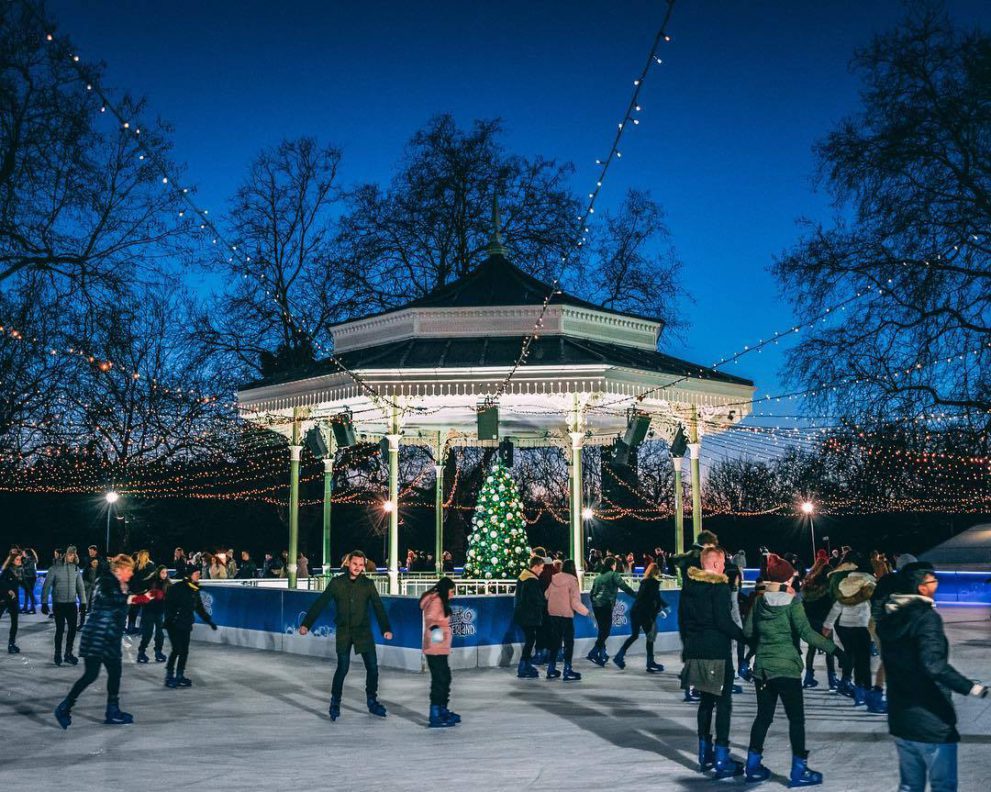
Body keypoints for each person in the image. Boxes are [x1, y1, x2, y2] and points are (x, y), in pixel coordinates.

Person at [878, 563, 989, 792]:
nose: (936, 584)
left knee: (910, 785)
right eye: (932, 581)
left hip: (901, 716)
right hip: (931, 718)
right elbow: (934, 666)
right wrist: (972, 688)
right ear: (921, 588)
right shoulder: (926, 618)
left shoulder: (890, 618)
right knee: (943, 786)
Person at [743, 554, 843, 787]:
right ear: (787, 579)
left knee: (763, 717)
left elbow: (748, 632)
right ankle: (799, 770)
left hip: (763, 670)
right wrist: (836, 651)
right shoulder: (793, 603)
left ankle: (752, 765)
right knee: (796, 720)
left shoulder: (759, 601)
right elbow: (807, 634)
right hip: (787, 669)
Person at [298, 550, 393, 720]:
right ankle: (335, 702)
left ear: (364, 566)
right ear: (348, 563)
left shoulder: (368, 584)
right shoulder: (337, 583)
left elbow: (378, 607)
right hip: (344, 631)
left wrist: (385, 628)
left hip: (363, 631)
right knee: (343, 667)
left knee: (372, 667)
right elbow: (320, 603)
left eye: (361, 565)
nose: (358, 567)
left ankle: (372, 701)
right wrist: (306, 624)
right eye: (355, 564)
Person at [680, 545, 746, 778]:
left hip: (696, 650)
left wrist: (687, 647)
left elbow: (683, 620)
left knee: (705, 702)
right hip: (717, 651)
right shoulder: (718, 586)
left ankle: (704, 754)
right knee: (724, 703)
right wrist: (745, 637)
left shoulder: (689, 587)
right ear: (717, 563)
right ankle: (721, 757)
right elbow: (723, 622)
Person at [54, 554, 142, 729]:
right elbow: (110, 598)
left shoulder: (121, 585)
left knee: (115, 672)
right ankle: (64, 707)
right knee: (91, 674)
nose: (131, 573)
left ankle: (112, 710)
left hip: (111, 637)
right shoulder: (105, 582)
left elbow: (125, 600)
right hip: (97, 636)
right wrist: (136, 598)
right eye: (129, 570)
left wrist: (142, 597)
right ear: (119, 569)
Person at [823, 556, 876, 706]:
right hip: (859, 623)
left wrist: (828, 623)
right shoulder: (864, 582)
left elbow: (836, 602)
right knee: (861, 659)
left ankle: (851, 686)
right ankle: (860, 689)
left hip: (842, 622)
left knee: (851, 652)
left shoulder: (840, 579)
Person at [163, 566, 218, 687]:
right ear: (189, 575)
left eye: (199, 574)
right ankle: (169, 676)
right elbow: (168, 604)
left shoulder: (195, 590)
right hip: (174, 624)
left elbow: (199, 608)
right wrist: (171, 618)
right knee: (176, 649)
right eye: (196, 574)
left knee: (184, 651)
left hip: (186, 624)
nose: (199, 576)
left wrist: (209, 622)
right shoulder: (177, 588)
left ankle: (180, 675)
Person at [613, 562, 669, 672]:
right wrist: (661, 610)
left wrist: (662, 606)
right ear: (656, 572)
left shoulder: (643, 582)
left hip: (635, 611)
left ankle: (619, 655)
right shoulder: (654, 583)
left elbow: (642, 597)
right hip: (644, 613)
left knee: (634, 635)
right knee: (650, 637)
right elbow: (656, 598)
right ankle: (650, 662)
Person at [420, 577, 458, 727]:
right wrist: (438, 636)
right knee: (440, 680)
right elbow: (430, 619)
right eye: (451, 591)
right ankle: (435, 714)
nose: (453, 595)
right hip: (435, 648)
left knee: (445, 678)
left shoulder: (439, 600)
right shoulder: (436, 601)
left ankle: (442, 709)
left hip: (439, 647)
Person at [544, 558, 589, 681]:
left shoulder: (554, 578)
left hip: (553, 614)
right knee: (568, 643)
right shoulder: (572, 580)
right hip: (566, 615)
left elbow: (546, 595)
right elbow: (574, 602)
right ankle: (567, 670)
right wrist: (587, 612)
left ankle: (551, 669)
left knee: (555, 642)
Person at [41, 545, 87, 666]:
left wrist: (83, 602)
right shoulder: (54, 569)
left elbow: (80, 587)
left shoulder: (76, 569)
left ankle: (68, 653)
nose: (72, 556)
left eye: (74, 554)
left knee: (72, 630)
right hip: (59, 604)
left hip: (71, 604)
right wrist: (44, 602)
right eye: (70, 554)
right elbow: (46, 586)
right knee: (60, 630)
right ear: (65, 555)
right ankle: (57, 654)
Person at [587, 556, 636, 666]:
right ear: (612, 565)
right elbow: (624, 587)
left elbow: (592, 592)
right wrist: (636, 596)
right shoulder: (614, 575)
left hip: (596, 605)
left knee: (602, 630)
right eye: (614, 564)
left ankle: (602, 654)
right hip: (605, 605)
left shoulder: (598, 577)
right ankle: (594, 652)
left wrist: (594, 602)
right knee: (606, 631)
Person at [800, 550, 837, 689]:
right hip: (824, 621)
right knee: (829, 649)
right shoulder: (828, 587)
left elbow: (804, 602)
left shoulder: (809, 583)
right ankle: (832, 680)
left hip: (810, 620)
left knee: (811, 648)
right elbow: (832, 605)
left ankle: (808, 678)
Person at [513, 556, 546, 678]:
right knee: (530, 639)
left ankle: (525, 664)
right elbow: (536, 599)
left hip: (522, 614)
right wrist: (545, 601)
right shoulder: (531, 580)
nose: (542, 570)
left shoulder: (523, 577)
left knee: (530, 639)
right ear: (535, 566)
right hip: (529, 615)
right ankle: (523, 665)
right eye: (541, 568)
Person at [137, 565, 170, 664]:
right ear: (158, 573)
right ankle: (141, 652)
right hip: (148, 611)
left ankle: (158, 651)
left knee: (160, 634)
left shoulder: (167, 583)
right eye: (162, 572)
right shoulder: (150, 581)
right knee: (148, 633)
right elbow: (141, 593)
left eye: (166, 573)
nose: (164, 575)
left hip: (159, 612)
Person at [127, 550, 154, 634]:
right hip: (137, 592)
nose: (140, 557)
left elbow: (151, 579)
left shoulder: (150, 565)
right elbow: (131, 578)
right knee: (135, 611)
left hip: (142, 592)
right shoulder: (136, 565)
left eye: (142, 555)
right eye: (140, 555)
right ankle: (133, 628)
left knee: (141, 612)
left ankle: (139, 629)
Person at [0, 550, 22, 653]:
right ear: (12, 561)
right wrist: (8, 590)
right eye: (17, 559)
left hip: (13, 601)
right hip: (3, 599)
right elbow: (2, 582)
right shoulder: (7, 571)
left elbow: (20, 583)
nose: (19, 561)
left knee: (15, 623)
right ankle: (11, 644)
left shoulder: (18, 570)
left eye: (20, 559)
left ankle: (11, 644)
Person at [20, 547, 38, 613]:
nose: (22, 553)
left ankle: (32, 607)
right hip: (32, 577)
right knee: (27, 592)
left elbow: (22, 566)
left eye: (23, 553)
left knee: (29, 592)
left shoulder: (27, 560)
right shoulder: (33, 559)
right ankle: (27, 607)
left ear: (26, 553)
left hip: (28, 577)